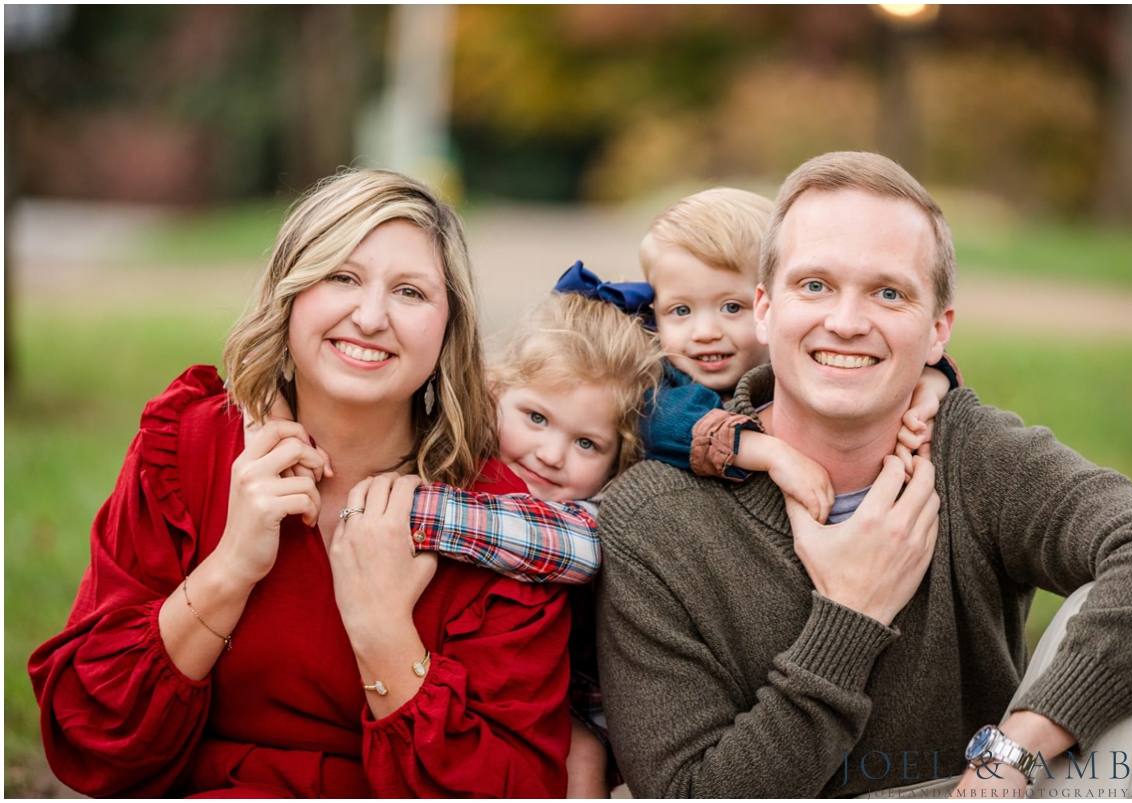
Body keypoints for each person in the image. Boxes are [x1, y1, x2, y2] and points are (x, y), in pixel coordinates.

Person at [594, 152, 1132, 797]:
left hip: (982, 790)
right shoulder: (652, 519)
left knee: (1124, 633)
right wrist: (851, 616)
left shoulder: (969, 454)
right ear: (765, 309)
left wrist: (1009, 758)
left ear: (937, 331)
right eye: (815, 285)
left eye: (889, 293)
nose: (847, 323)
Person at [28, 169, 601, 797]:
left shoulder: (496, 525)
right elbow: (91, 735)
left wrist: (382, 629)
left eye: (410, 292)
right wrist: (229, 571)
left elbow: (515, 788)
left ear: (448, 331)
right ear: (290, 293)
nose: (371, 317)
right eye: (341, 277)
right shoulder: (186, 450)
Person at [638, 187, 961, 521]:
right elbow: (661, 423)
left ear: (770, 307)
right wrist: (772, 454)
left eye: (732, 307)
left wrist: (930, 383)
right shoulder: (660, 384)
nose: (705, 332)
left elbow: (905, 348)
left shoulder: (797, 354)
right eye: (680, 311)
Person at [486, 287, 662, 797]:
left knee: (582, 752)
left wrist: (413, 513)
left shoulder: (592, 513)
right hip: (476, 686)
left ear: (617, 461)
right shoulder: (463, 461)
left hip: (574, 702)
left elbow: (560, 545)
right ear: (494, 392)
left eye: (586, 443)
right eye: (536, 418)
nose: (550, 454)